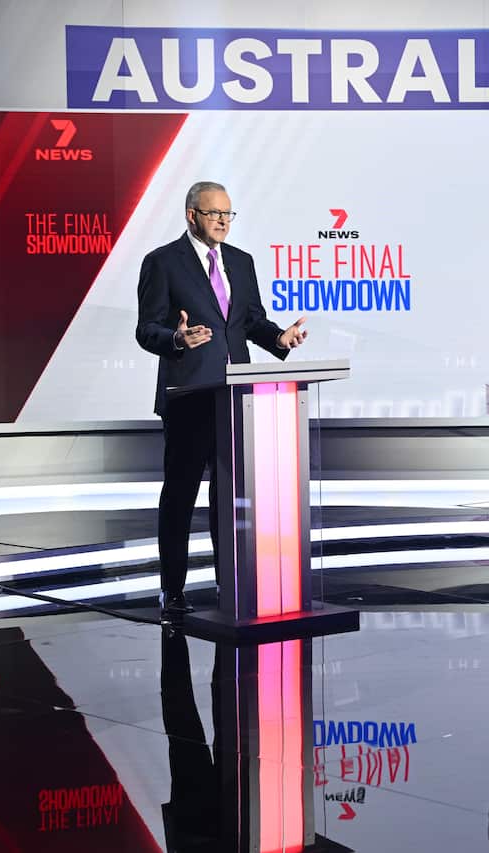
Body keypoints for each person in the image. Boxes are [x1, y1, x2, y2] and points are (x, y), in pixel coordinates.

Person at [136, 181, 307, 618]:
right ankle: (173, 589)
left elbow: (250, 321)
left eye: (228, 214)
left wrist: (279, 338)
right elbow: (146, 329)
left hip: (237, 399)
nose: (223, 222)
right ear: (191, 215)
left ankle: (226, 581)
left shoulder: (241, 262)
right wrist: (177, 338)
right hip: (189, 397)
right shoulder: (162, 262)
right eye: (214, 213)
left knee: (228, 498)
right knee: (180, 496)